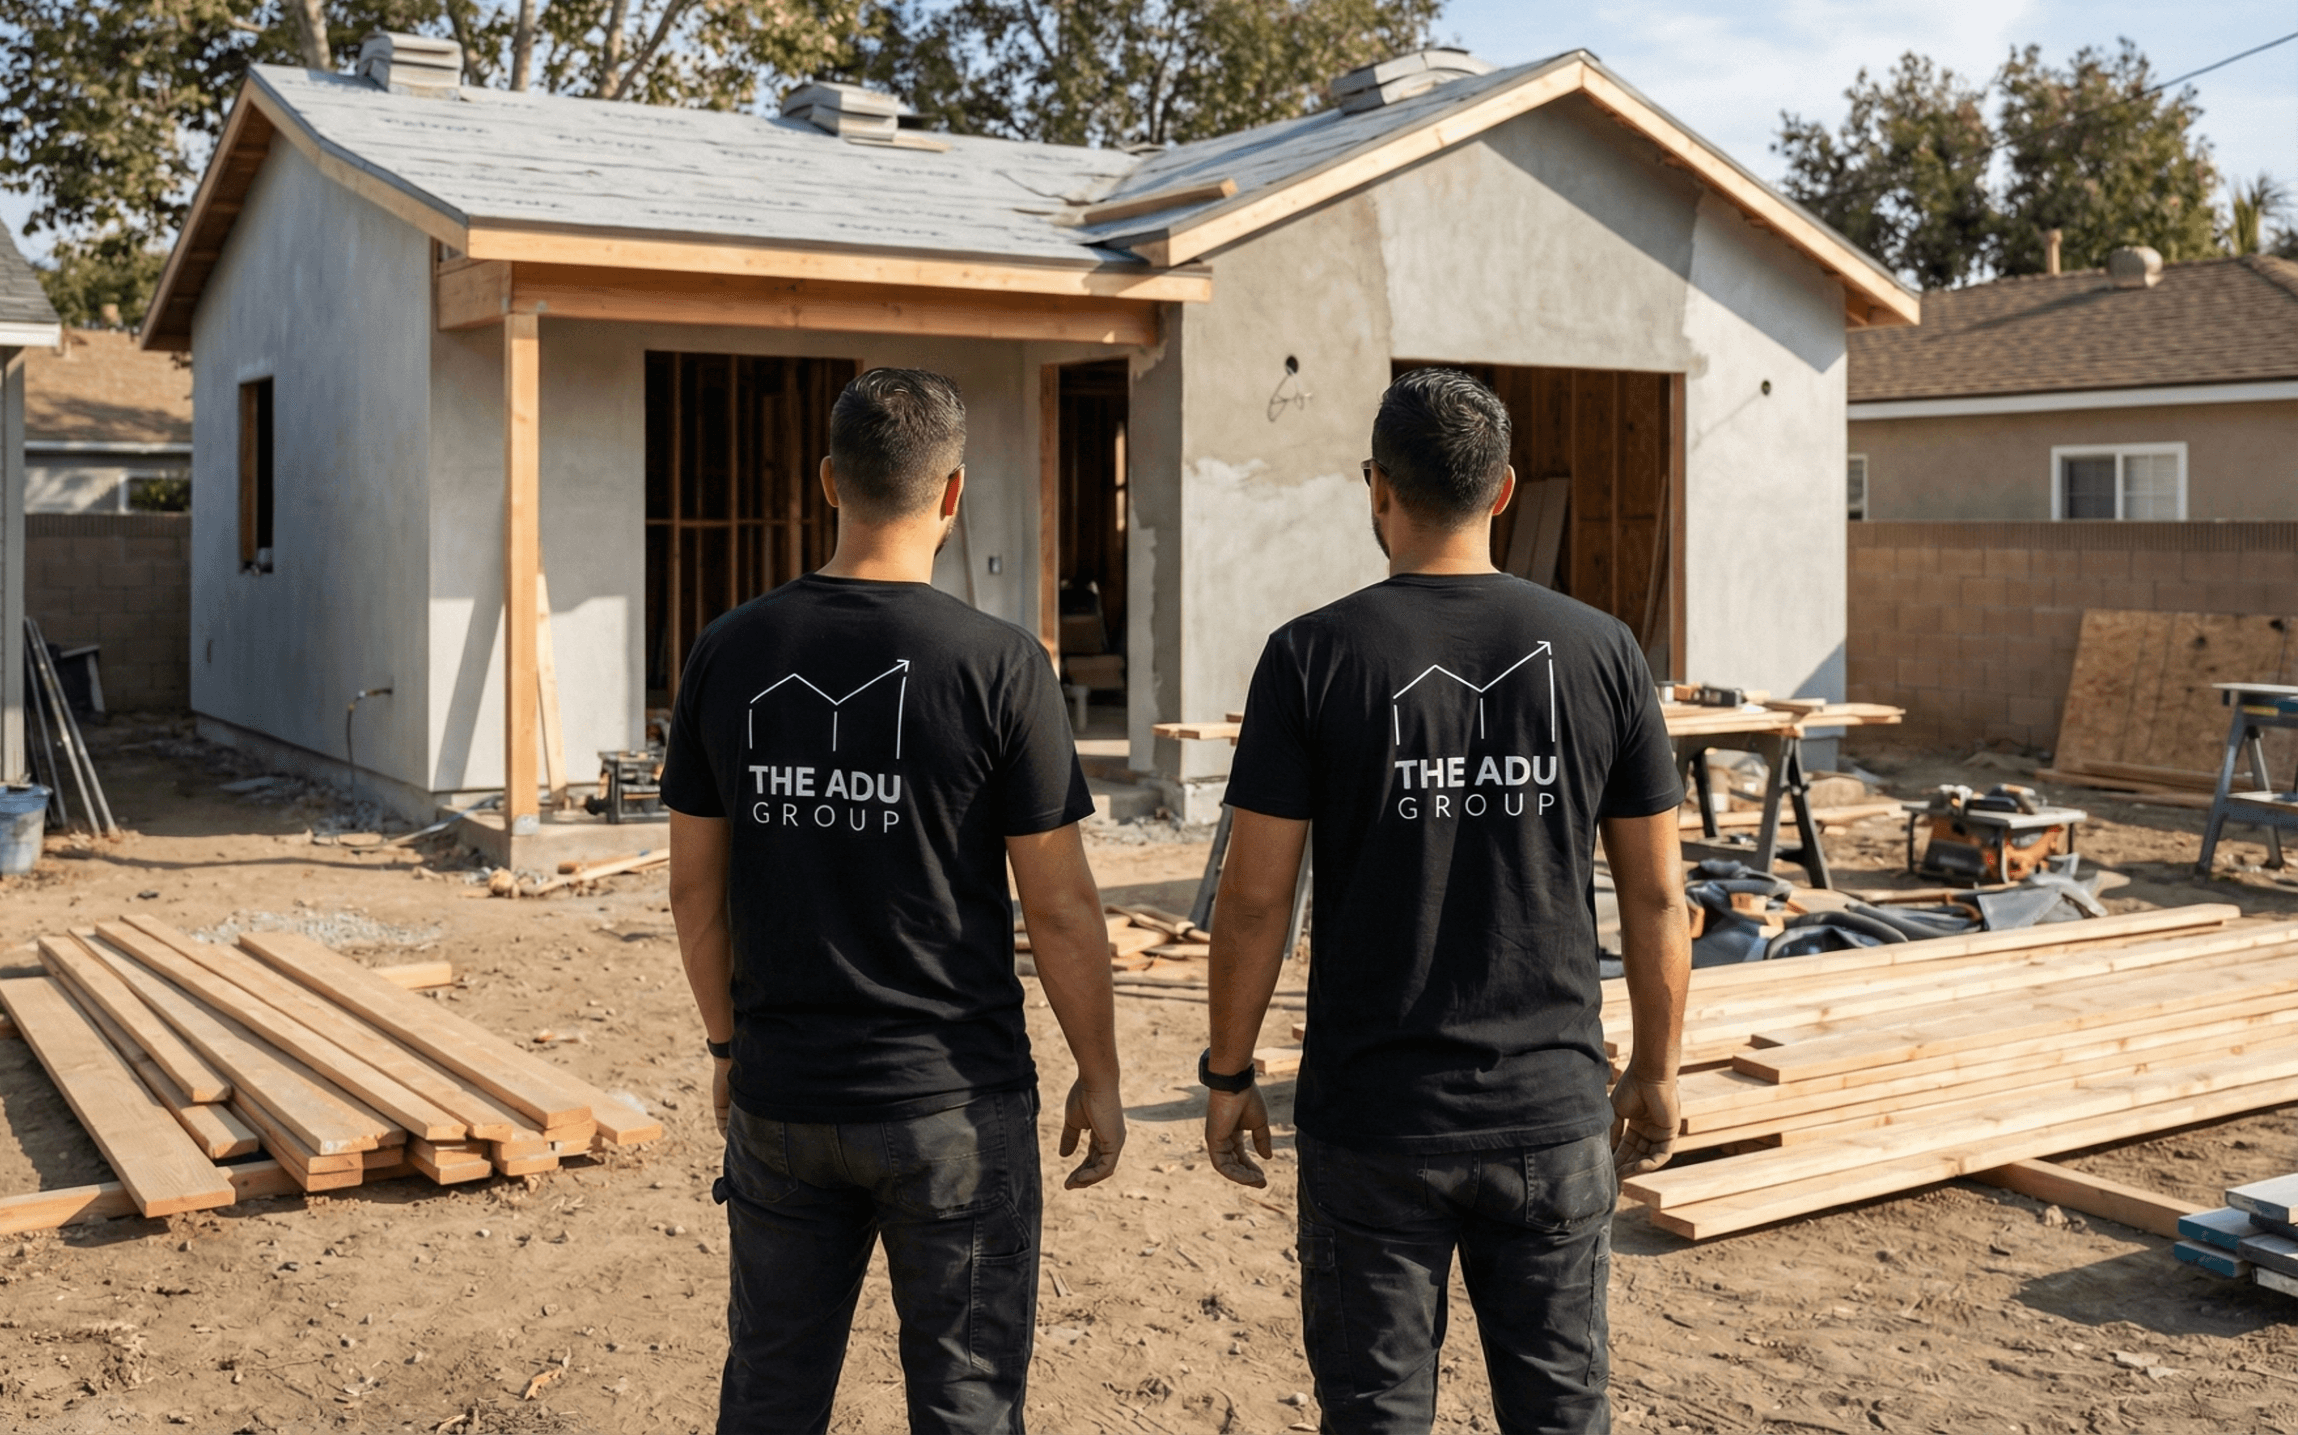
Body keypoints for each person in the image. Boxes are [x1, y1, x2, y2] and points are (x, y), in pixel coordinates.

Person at [1200, 366, 1691, 1435]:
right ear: (1504, 489)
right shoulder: (1604, 650)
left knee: (1375, 1414)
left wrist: (1228, 1073)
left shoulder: (1311, 656)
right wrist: (1656, 1069)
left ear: (1376, 486)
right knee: (1560, 1410)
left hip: (1374, 1122)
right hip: (1549, 1114)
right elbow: (1658, 894)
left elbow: (1254, 902)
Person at [664, 366, 1126, 1435]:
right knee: (968, 1405)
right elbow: (1060, 909)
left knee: (771, 1396)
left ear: (830, 480)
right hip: (952, 1108)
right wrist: (1099, 1075)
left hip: (785, 1095)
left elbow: (693, 889)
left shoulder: (729, 650)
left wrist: (728, 1046)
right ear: (953, 493)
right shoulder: (1000, 665)